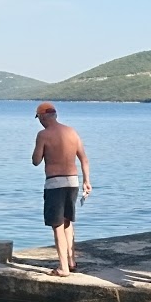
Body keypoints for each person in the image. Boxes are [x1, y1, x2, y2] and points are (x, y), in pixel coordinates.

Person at [30, 102, 91, 277]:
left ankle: (63, 267)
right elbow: (84, 159)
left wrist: (39, 149)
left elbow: (36, 160)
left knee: (57, 225)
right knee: (68, 222)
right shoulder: (72, 132)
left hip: (54, 182)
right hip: (73, 181)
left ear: (42, 116)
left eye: (39, 118)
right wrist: (87, 181)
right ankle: (71, 260)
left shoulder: (43, 135)